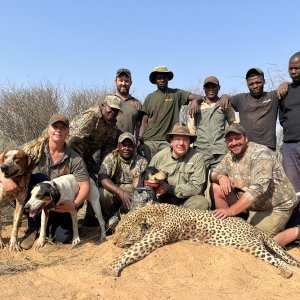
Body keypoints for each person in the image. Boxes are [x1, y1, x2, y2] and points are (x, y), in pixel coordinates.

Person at [0, 114, 91, 249]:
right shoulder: (34, 148)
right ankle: (34, 226)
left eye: (63, 127)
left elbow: (85, 186)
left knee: (63, 237)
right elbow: (3, 158)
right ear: (48, 129)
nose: (58, 130)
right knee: (40, 179)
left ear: (68, 132)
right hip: (34, 198)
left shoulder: (75, 158)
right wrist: (5, 179)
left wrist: (74, 204)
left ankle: (47, 226)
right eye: (55, 127)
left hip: (59, 203)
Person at [211, 123, 297, 244]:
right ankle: (229, 225)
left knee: (257, 243)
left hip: (275, 206)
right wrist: (221, 177)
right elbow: (214, 173)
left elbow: (258, 189)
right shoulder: (230, 156)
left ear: (246, 138)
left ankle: (297, 231)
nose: (234, 142)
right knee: (216, 187)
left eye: (237, 138)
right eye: (230, 140)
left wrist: (230, 211)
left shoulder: (260, 153)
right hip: (252, 205)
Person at [68, 95, 123, 226]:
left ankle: (91, 215)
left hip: (85, 157)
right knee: (79, 181)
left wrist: (103, 168)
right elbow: (74, 140)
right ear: (103, 105)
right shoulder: (92, 116)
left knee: (100, 177)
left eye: (116, 110)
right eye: (111, 108)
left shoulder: (112, 126)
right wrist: (79, 166)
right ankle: (69, 217)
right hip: (71, 154)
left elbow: (107, 150)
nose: (113, 112)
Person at [138, 65, 202, 162]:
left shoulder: (177, 93)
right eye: (159, 78)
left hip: (167, 141)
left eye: (164, 77)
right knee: (150, 170)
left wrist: (194, 101)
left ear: (168, 79)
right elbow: (145, 121)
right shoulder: (149, 97)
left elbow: (198, 97)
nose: (162, 80)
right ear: (155, 80)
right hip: (150, 141)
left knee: (167, 170)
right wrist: (140, 139)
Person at [221, 68, 287, 151]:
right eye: (251, 84)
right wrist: (224, 95)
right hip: (247, 147)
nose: (255, 86)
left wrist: (285, 83)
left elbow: (291, 87)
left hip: (268, 147)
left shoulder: (273, 96)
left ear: (264, 81)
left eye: (258, 82)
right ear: (247, 84)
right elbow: (223, 100)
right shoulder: (240, 99)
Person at [149, 123, 209, 210]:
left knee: (201, 203)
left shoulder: (197, 157)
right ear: (171, 142)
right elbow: (148, 179)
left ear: (189, 143)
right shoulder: (159, 157)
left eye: (185, 140)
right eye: (177, 139)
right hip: (164, 198)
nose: (181, 143)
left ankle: (184, 221)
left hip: (187, 199)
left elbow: (197, 188)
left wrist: (170, 188)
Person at [187, 76, 235, 172]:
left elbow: (234, 125)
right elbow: (191, 129)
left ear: (219, 88)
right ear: (204, 89)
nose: (211, 90)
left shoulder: (224, 104)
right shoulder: (196, 105)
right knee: (198, 182)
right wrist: (190, 149)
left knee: (221, 181)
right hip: (200, 151)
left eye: (214, 87)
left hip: (220, 152)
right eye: (208, 87)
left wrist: (230, 145)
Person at [277, 51, 300, 246]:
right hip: (290, 144)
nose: (293, 71)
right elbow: (282, 116)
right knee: (293, 190)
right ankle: (294, 229)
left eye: (297, 68)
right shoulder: (286, 91)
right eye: (290, 68)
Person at [98, 132, 148, 222]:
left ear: (134, 147)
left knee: (143, 196)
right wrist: (120, 192)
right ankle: (109, 220)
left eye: (130, 146)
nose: (126, 148)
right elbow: (102, 177)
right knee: (103, 192)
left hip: (133, 196)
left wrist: (135, 193)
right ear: (118, 146)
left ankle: (127, 220)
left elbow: (143, 185)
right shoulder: (111, 158)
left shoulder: (142, 161)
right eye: (124, 145)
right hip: (116, 193)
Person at [114, 68, 143, 140]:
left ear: (131, 82)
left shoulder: (137, 104)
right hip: (107, 148)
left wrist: (138, 142)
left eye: (126, 81)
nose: (123, 84)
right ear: (115, 81)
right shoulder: (105, 99)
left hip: (127, 147)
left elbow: (140, 127)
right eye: (120, 80)